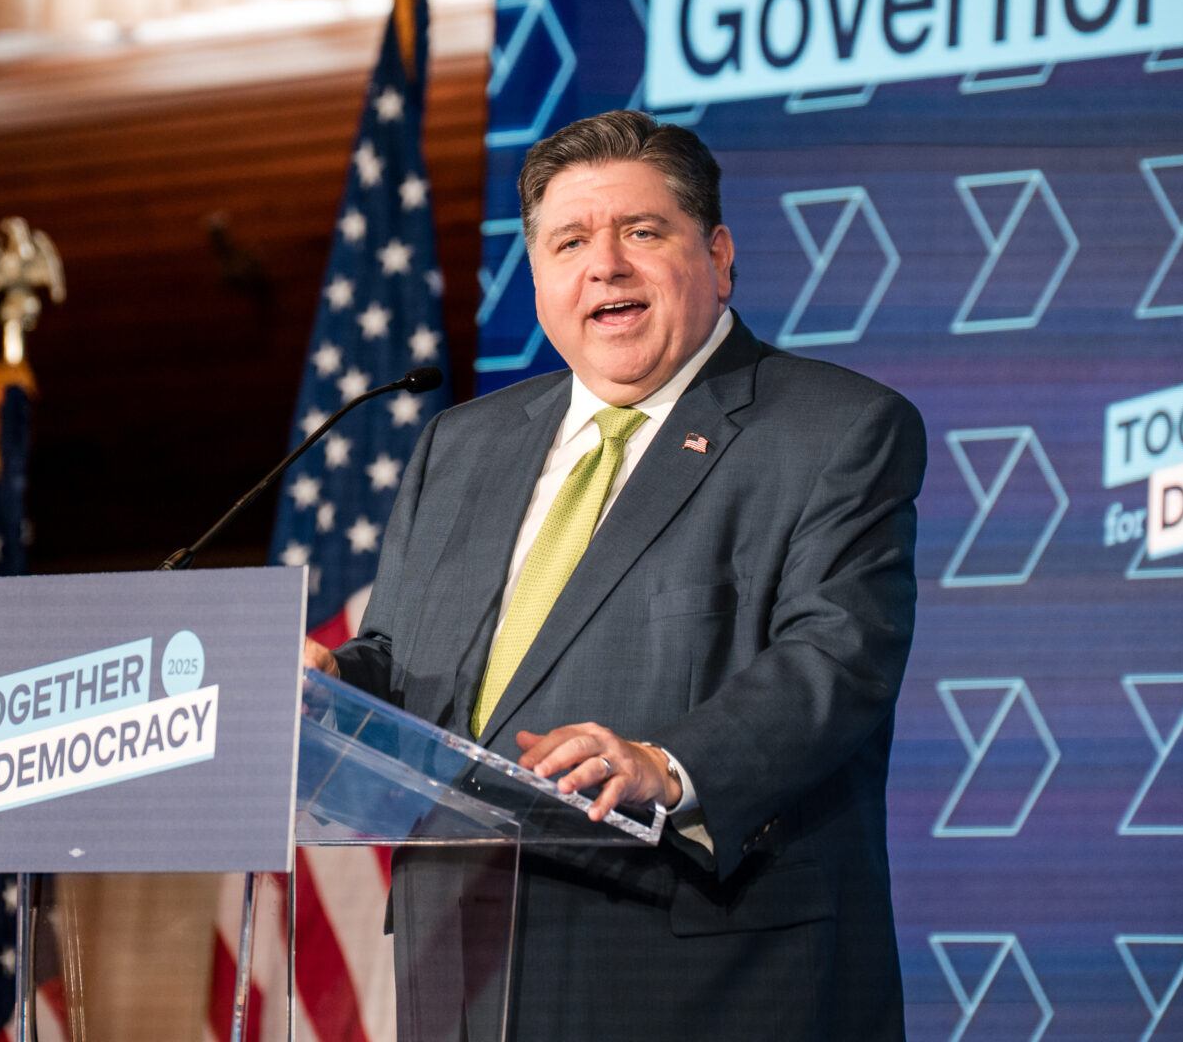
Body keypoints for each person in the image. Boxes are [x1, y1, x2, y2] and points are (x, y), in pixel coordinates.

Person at [304, 109, 926, 1040]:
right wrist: (331, 686)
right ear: (539, 278)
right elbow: (402, 657)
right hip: (464, 960)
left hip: (703, 970)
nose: (605, 266)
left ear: (718, 257)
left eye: (641, 232)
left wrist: (664, 765)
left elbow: (839, 659)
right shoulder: (459, 446)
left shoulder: (835, 429)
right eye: (570, 242)